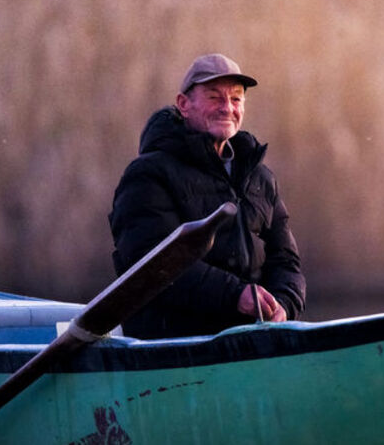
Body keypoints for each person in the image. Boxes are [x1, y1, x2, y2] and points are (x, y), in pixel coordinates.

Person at [109, 53, 305, 339]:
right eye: (214, 97)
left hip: (254, 344)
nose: (227, 108)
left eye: (236, 99)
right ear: (183, 105)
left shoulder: (261, 178)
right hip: (173, 351)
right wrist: (235, 295)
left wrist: (283, 305)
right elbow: (152, 265)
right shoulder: (148, 175)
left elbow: (287, 262)